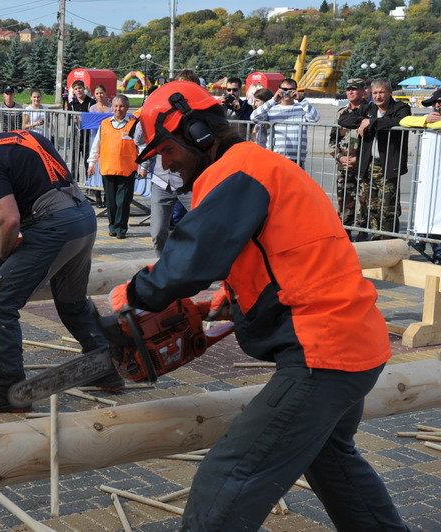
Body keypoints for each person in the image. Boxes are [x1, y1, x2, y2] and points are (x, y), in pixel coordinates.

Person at [111, 81, 407, 530]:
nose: (166, 164)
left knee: (228, 478)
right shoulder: (259, 167)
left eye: (167, 151)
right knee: (333, 462)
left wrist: (128, 302)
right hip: (351, 342)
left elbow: (189, 260)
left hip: (321, 352)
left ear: (196, 132)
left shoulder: (236, 172)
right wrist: (226, 302)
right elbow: (278, 253)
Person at [0, 105, 124, 413]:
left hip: (54, 228)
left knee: (0, 303)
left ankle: (10, 391)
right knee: (72, 301)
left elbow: (9, 220)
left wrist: (0, 258)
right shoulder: (29, 136)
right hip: (83, 220)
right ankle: (104, 366)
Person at [338, 78, 411, 238]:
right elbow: (344, 119)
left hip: (388, 166)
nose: (378, 96)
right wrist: (363, 120)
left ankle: (389, 243)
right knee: (370, 208)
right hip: (368, 166)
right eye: (375, 93)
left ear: (390, 92)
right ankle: (374, 242)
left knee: (387, 210)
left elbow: (398, 121)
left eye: (382, 92)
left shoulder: (401, 108)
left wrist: (371, 122)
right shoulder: (368, 108)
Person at [87, 95, 141, 239]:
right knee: (110, 201)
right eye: (116, 106)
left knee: (123, 202)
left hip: (127, 169)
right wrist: (91, 163)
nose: (118, 109)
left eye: (122, 106)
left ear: (127, 108)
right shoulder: (104, 124)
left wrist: (144, 167)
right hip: (108, 168)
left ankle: (121, 229)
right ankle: (112, 226)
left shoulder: (134, 124)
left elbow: (142, 146)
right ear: (112, 108)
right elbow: (96, 145)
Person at [400, 89, 441, 262]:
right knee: (430, 206)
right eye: (435, 102)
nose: (437, 105)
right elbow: (404, 120)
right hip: (432, 176)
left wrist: (428, 123)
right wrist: (425, 120)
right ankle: (428, 243)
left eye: (440, 102)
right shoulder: (430, 118)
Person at [250, 77, 320, 167]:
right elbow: (254, 117)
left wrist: (302, 100)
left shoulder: (302, 107)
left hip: (297, 160)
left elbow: (315, 118)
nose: (287, 92)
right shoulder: (271, 109)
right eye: (285, 89)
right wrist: (273, 100)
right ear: (279, 90)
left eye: (291, 89)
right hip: (275, 158)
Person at [330, 78, 367, 236]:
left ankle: (363, 232)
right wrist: (339, 157)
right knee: (344, 200)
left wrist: (360, 158)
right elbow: (332, 140)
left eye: (355, 89)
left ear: (363, 91)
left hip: (364, 164)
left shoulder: (369, 111)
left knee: (365, 200)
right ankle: (345, 233)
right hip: (344, 165)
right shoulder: (341, 113)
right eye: (348, 89)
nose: (351, 92)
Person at [66, 80, 96, 179]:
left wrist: (83, 119)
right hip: (76, 137)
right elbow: (68, 121)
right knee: (74, 163)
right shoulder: (71, 105)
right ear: (73, 91)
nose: (78, 90)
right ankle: (76, 185)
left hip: (88, 138)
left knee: (89, 163)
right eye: (76, 89)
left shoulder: (91, 102)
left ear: (84, 88)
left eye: (80, 88)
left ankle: (90, 185)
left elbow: (93, 119)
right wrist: (73, 119)